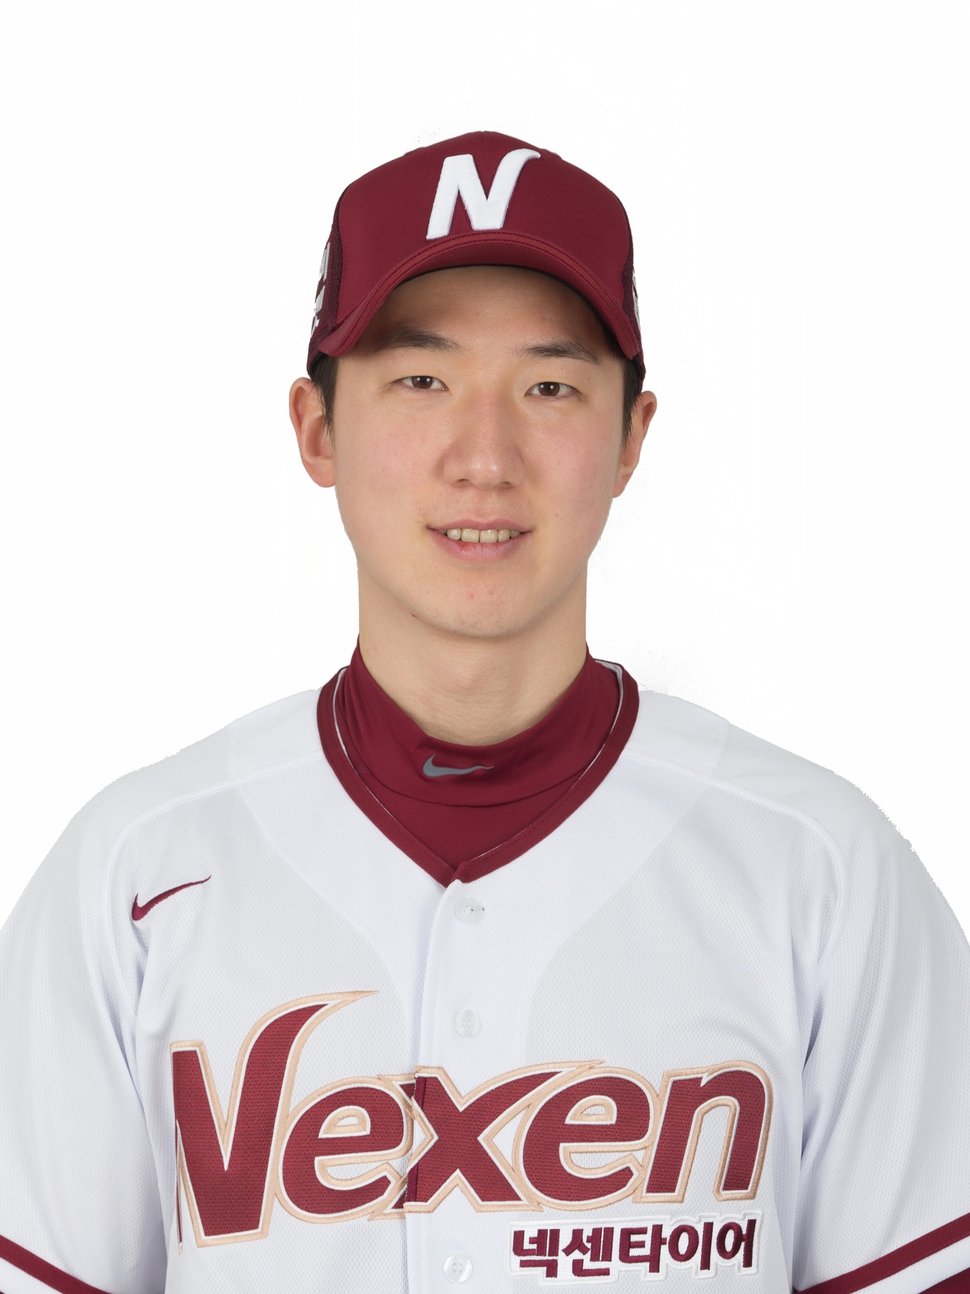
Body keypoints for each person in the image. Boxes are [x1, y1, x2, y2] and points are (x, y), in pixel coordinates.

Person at [0, 131, 968, 1294]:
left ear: (632, 438)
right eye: (421, 380)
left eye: (550, 386)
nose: (484, 457)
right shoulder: (137, 874)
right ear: (316, 428)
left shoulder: (822, 873)